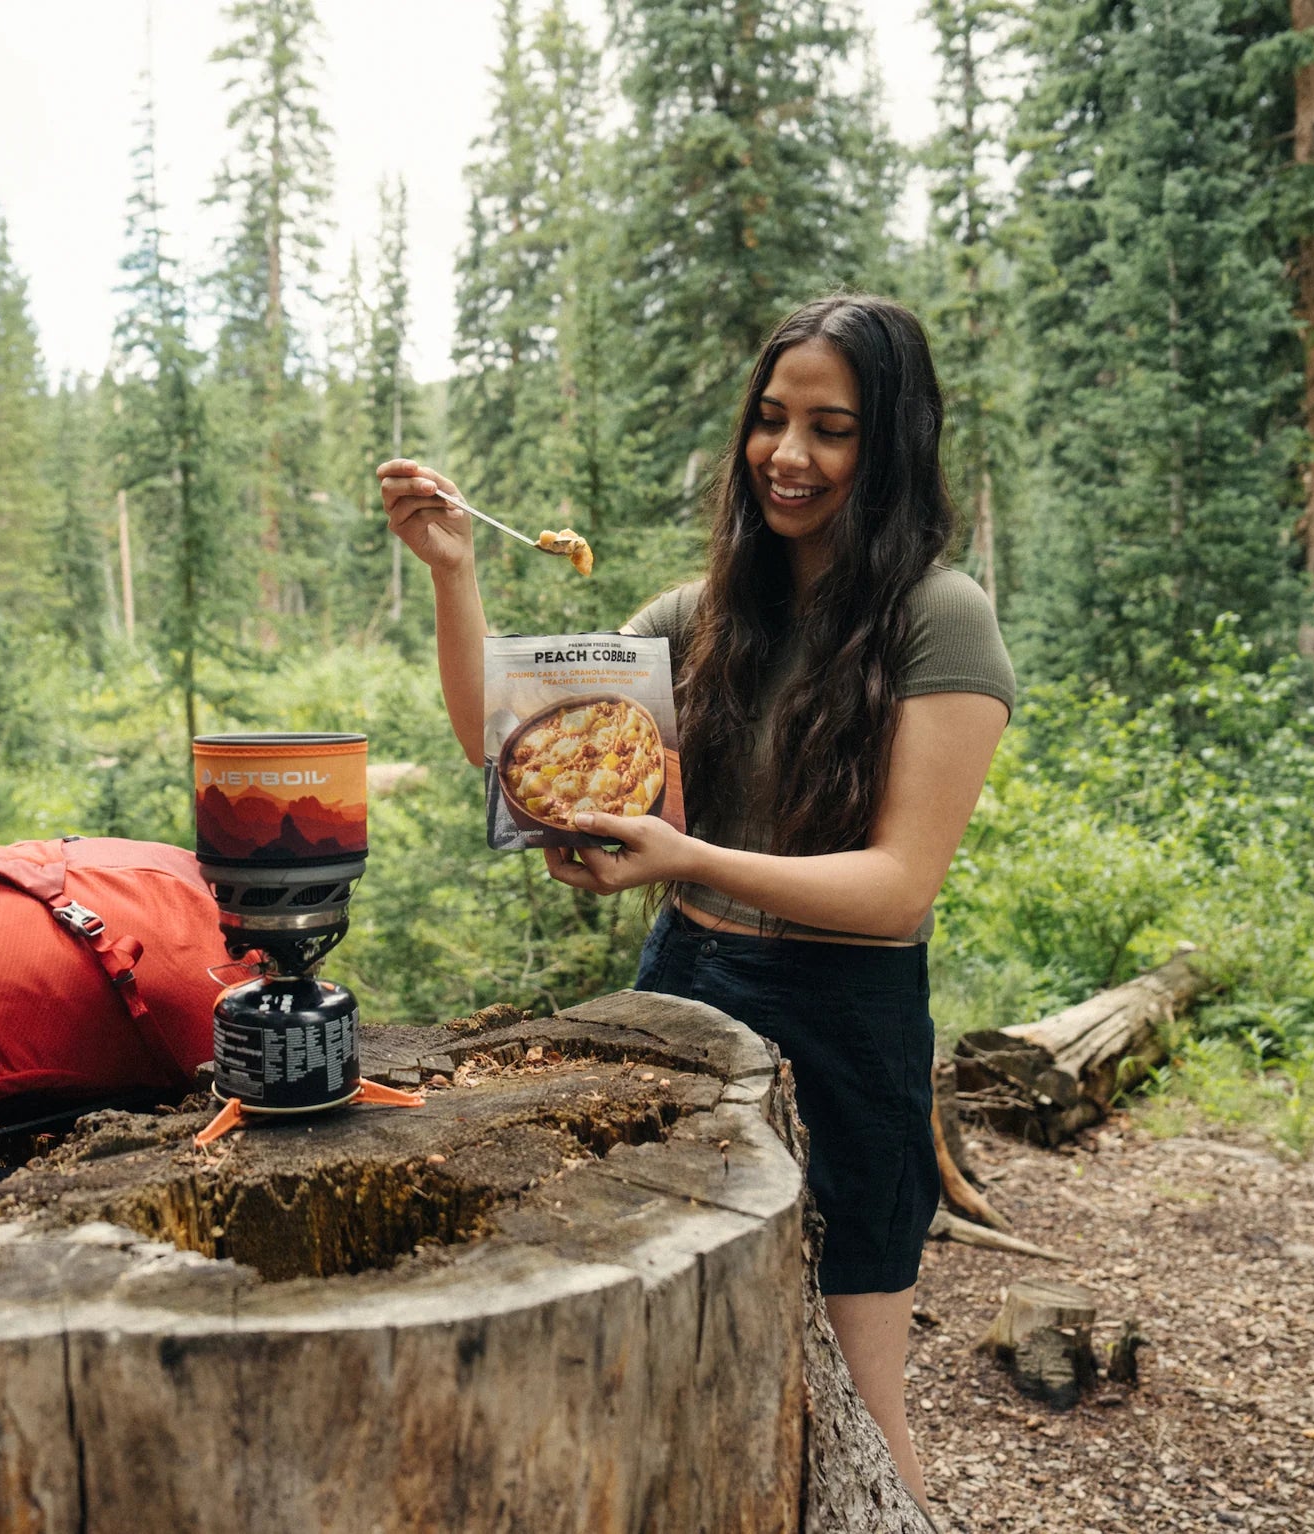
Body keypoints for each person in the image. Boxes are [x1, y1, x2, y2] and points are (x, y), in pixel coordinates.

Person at [379, 293, 1012, 1514]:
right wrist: (454, 577)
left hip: (846, 1026)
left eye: (830, 429)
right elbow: (502, 742)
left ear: (889, 445)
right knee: (662, 1359)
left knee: (851, 1404)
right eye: (770, 421)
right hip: (682, 999)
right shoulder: (697, 614)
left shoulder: (941, 619)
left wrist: (686, 855)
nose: (788, 454)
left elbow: (894, 891)